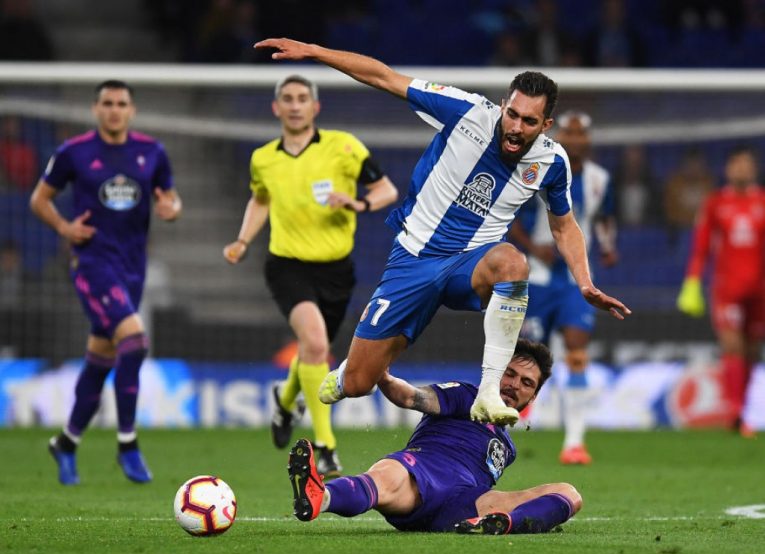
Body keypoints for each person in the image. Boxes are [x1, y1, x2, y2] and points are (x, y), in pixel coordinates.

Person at [254, 38, 630, 426]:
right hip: (414, 258)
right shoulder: (465, 111)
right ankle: (364, 362)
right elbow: (384, 77)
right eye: (512, 114)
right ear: (503, 105)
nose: (516, 128)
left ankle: (488, 393)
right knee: (357, 383)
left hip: (470, 264)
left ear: (546, 125)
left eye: (529, 121)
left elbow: (564, 224)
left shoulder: (552, 162)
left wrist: (584, 282)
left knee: (513, 263)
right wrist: (316, 52)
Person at [223, 74, 398, 478]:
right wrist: (242, 240)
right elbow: (260, 199)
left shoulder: (344, 147)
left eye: (303, 98)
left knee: (311, 353)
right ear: (276, 108)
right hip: (287, 266)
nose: (296, 105)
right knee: (316, 343)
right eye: (288, 98)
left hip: (337, 270)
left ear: (315, 107)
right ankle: (326, 448)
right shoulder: (263, 158)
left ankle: (286, 403)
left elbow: (387, 190)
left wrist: (355, 202)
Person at [29, 79, 182, 485]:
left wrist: (172, 207)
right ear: (96, 109)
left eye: (121, 103)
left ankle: (66, 442)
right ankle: (128, 444)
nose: (114, 110)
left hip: (133, 267)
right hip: (92, 263)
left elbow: (170, 197)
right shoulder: (74, 152)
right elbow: (38, 199)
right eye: (107, 103)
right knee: (134, 342)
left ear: (131, 111)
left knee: (101, 358)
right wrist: (63, 227)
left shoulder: (152, 152)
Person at [287, 338, 582, 534]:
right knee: (387, 475)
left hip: (465, 506)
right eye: (510, 373)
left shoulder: (508, 447)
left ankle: (506, 523)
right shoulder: (467, 395)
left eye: (527, 382)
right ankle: (320, 498)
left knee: (569, 493)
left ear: (532, 398)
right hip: (423, 474)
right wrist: (384, 377)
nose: (515, 384)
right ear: (495, 372)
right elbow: (414, 398)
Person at [510, 111, 617, 465]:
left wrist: (606, 245)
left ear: (587, 140)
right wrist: (531, 247)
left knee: (576, 353)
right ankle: (510, 423)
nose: (574, 140)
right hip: (538, 276)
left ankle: (573, 442)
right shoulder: (537, 168)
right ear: (559, 137)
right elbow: (511, 215)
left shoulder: (601, 179)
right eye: (568, 134)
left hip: (574, 281)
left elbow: (603, 219)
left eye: (579, 135)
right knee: (527, 356)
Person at [677, 146, 765, 438]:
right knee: (733, 347)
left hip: (760, 290)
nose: (741, 170)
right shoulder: (715, 203)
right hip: (726, 289)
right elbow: (701, 246)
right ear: (728, 170)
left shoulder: (762, 201)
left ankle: (741, 409)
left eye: (746, 165)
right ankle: (736, 412)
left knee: (752, 350)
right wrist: (692, 282)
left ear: (753, 169)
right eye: (736, 164)